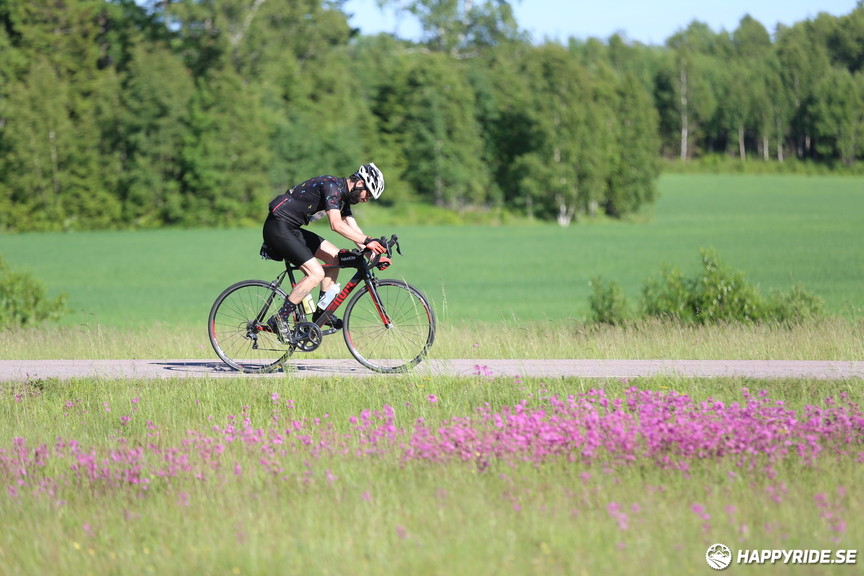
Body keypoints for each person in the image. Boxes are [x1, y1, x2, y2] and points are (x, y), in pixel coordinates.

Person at [262, 162, 388, 342]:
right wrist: (368, 241)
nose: (366, 199)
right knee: (316, 273)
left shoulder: (343, 196)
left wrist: (373, 254)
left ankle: (321, 312)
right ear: (359, 183)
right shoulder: (332, 186)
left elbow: (353, 228)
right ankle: (279, 319)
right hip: (277, 227)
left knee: (336, 258)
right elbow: (336, 225)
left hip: (292, 229)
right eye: (368, 193)